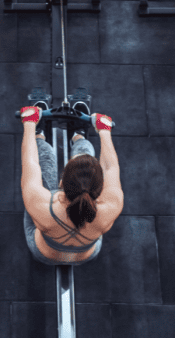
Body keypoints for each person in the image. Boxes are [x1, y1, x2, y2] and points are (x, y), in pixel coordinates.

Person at [19, 98, 123, 265]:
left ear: (62, 182)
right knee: (85, 158)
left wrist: (30, 124)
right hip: (86, 255)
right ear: (100, 188)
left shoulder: (42, 206)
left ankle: (39, 134)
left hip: (44, 253)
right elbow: (110, 168)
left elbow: (30, 162)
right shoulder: (112, 205)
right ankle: (79, 135)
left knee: (44, 162)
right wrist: (104, 132)